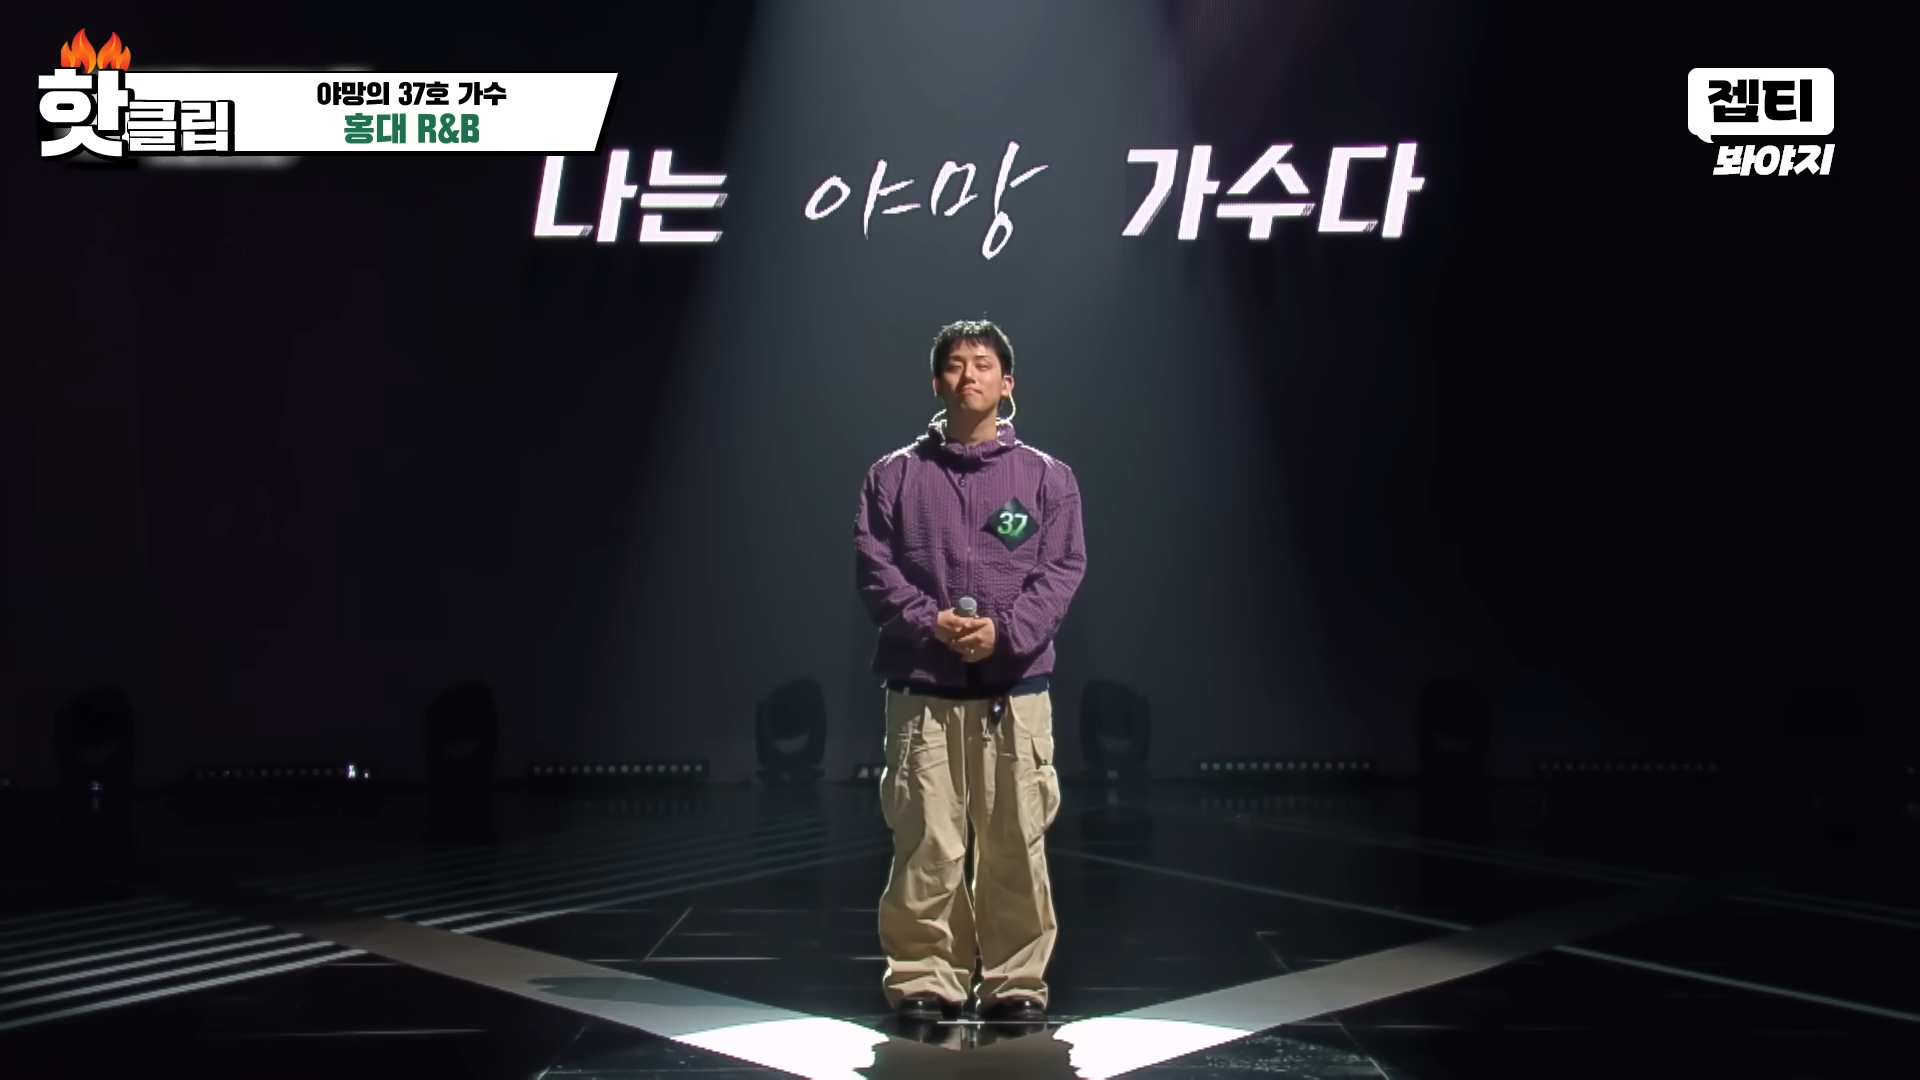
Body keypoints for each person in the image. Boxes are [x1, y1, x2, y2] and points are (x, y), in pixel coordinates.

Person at [853, 319, 1088, 1026]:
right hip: (922, 688)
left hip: (1015, 691)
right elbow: (875, 567)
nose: (968, 376)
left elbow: (1062, 568)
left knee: (1016, 842)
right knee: (927, 842)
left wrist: (1005, 634)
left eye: (983, 364)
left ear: (1007, 382)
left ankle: (1016, 982)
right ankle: (925, 977)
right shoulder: (894, 475)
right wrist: (930, 621)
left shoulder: (1047, 478)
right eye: (954, 365)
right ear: (936, 382)